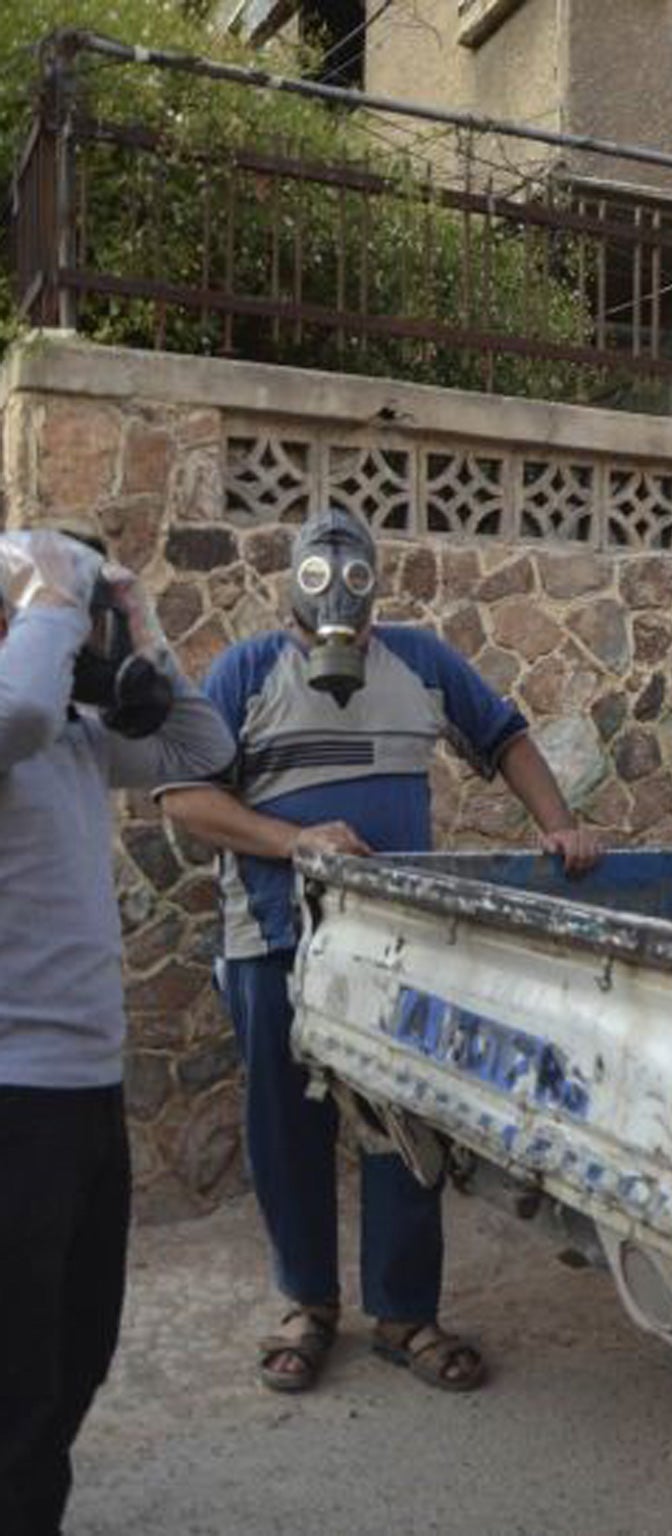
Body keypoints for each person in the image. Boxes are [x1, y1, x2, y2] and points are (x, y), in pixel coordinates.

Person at [158, 507, 602, 1396]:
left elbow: (506, 735)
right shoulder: (246, 671)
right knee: (286, 1128)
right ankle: (306, 1306)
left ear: (374, 589)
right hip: (275, 939)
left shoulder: (422, 663)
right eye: (320, 580)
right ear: (292, 585)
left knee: (405, 1123)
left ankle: (405, 1314)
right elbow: (181, 797)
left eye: (353, 583)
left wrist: (558, 824)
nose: (339, 600)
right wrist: (294, 842)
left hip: (398, 944)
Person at [0, 530, 234, 1535]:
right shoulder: (20, 718)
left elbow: (202, 751)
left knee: (74, 1355)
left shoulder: (73, 734)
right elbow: (15, 706)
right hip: (12, 1097)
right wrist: (50, 591)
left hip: (87, 1095)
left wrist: (141, 630)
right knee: (15, 1382)